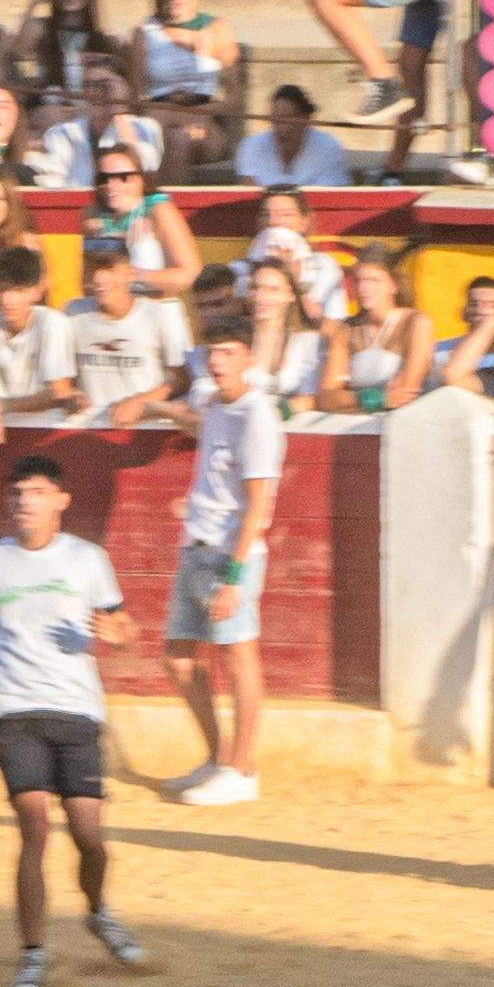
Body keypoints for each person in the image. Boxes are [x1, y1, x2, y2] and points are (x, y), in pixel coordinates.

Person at [0, 457, 148, 987]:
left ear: (60, 501)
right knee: (34, 824)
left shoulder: (88, 560)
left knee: (89, 834)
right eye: (17, 493)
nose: (24, 502)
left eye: (37, 493)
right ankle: (34, 953)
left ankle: (97, 910)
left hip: (76, 709)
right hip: (12, 710)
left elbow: (124, 627)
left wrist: (118, 634)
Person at [160, 315, 284, 804]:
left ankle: (244, 769)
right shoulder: (214, 405)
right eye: (213, 352)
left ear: (249, 358)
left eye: (229, 352)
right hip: (197, 546)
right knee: (179, 660)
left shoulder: (257, 417)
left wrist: (234, 578)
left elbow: (257, 505)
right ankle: (217, 759)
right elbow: (217, 473)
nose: (217, 362)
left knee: (239, 658)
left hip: (232, 557)